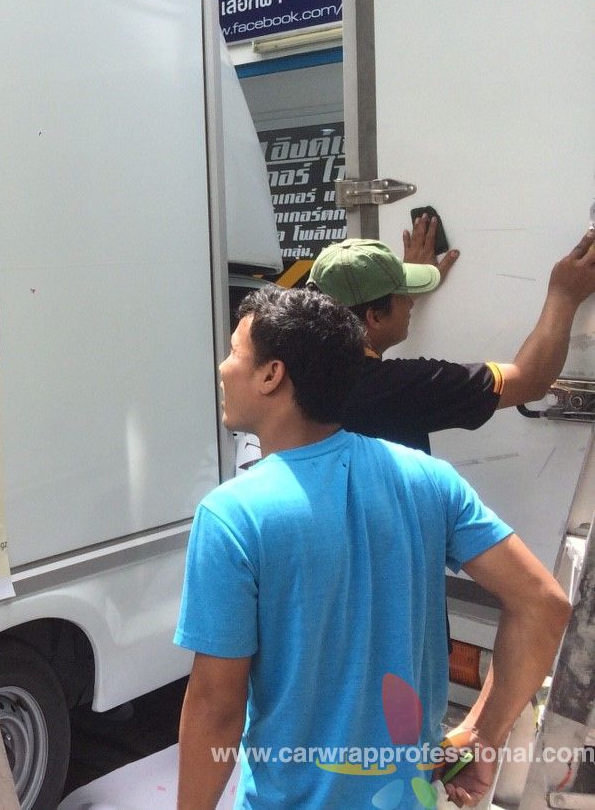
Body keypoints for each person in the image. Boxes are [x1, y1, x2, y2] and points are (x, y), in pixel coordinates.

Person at [175, 288, 570, 809]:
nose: (223, 367)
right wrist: (482, 735)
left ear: (271, 375)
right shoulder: (429, 479)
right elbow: (544, 604)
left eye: (233, 352)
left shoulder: (232, 516)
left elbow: (216, 709)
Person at [307, 227, 595, 453]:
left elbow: (363, 317)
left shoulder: (294, 368)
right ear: (374, 317)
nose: (410, 303)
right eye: (403, 296)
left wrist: (386, 292)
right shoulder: (398, 387)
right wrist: (564, 296)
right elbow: (529, 380)